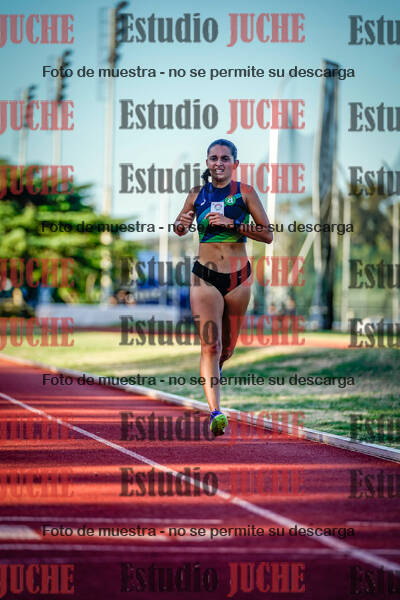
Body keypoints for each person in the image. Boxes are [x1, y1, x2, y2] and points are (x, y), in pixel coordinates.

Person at [173, 139, 273, 436]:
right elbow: (179, 228)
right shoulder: (197, 193)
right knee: (211, 346)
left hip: (238, 278)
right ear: (207, 162)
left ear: (234, 164)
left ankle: (217, 369)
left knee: (227, 349)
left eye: (225, 158)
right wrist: (181, 223)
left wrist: (232, 224)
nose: (219, 162)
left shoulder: (246, 192)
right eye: (214, 158)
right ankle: (216, 412)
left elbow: (267, 234)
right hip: (205, 277)